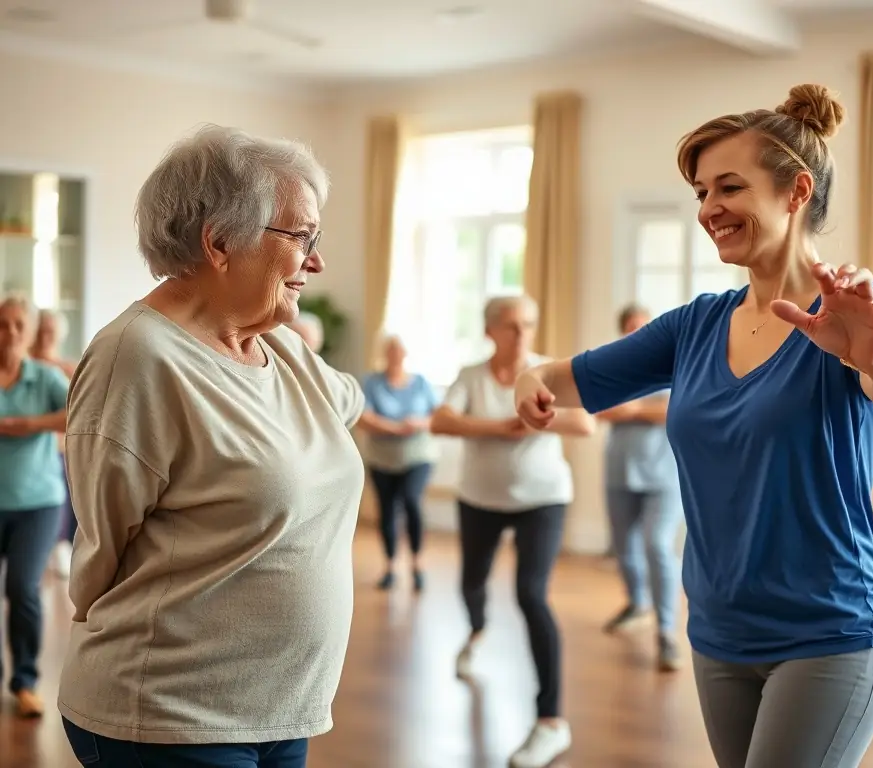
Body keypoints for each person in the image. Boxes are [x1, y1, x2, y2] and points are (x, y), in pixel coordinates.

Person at [513, 84, 873, 768]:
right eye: (702, 193)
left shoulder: (861, 309)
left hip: (828, 631)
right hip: (718, 633)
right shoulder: (696, 325)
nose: (709, 209)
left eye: (728, 188)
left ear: (796, 193)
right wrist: (532, 378)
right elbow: (565, 375)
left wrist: (871, 352)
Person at [58, 125, 365, 768]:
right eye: (302, 236)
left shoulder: (279, 346)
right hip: (171, 713)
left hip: (281, 706)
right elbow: (102, 546)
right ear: (221, 241)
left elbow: (348, 407)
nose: (316, 261)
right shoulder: (137, 358)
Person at [430, 294, 595, 768]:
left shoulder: (548, 372)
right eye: (510, 325)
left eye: (527, 324)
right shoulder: (471, 376)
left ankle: (550, 721)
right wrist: (497, 427)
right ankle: (477, 629)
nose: (521, 333)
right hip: (480, 499)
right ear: (490, 331)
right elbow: (440, 421)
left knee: (531, 595)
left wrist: (535, 418)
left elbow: (584, 424)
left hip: (542, 500)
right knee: (472, 583)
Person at [598, 303, 684, 671]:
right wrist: (640, 411)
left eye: (642, 326)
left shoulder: (673, 365)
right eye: (630, 326)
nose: (637, 332)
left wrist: (632, 411)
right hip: (620, 472)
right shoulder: (613, 367)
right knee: (623, 547)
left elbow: (677, 409)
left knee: (657, 545)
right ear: (622, 331)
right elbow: (599, 410)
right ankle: (637, 602)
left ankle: (666, 632)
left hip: (664, 476)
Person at [0, 295, 69, 718]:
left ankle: (25, 682)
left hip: (37, 504)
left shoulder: (43, 378)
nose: (8, 333)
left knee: (22, 588)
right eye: (2, 325)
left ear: (28, 334)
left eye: (16, 326)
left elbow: (79, 409)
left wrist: (29, 424)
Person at [358, 334, 438, 591]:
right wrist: (394, 428)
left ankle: (417, 563)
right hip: (382, 459)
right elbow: (363, 416)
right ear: (384, 354)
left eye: (399, 350)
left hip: (418, 456)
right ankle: (390, 566)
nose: (395, 355)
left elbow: (438, 416)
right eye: (390, 350)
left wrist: (417, 424)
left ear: (405, 354)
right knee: (388, 510)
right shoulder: (371, 382)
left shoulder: (421, 383)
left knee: (412, 501)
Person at [29, 308, 78, 578]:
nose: (45, 337)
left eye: (50, 332)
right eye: (41, 331)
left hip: (62, 454)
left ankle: (60, 546)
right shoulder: (21, 368)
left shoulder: (69, 369)